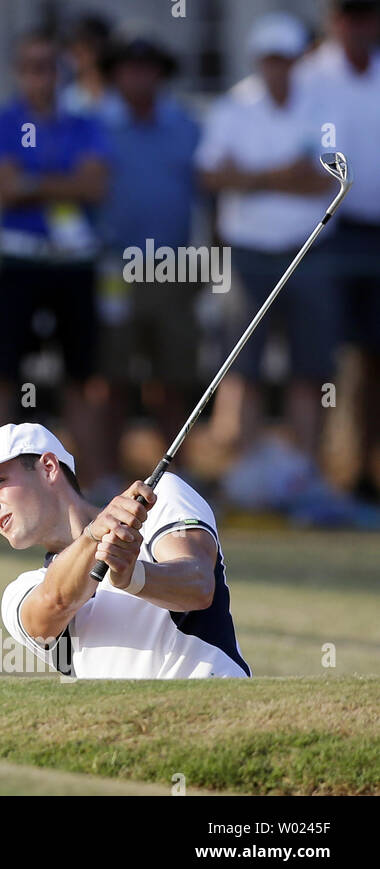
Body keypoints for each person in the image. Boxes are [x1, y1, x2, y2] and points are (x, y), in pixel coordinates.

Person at [0, 423, 251, 679]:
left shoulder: (159, 497)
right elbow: (52, 606)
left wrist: (133, 576)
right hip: (126, 744)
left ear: (48, 468)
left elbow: (197, 585)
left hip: (218, 714)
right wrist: (95, 537)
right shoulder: (21, 593)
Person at [0, 31, 110, 488]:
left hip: (74, 262)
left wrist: (34, 183)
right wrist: (62, 181)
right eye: (31, 67)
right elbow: (6, 190)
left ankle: (90, 484)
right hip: (20, 262)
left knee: (83, 381)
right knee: (1, 376)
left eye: (48, 66)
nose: (40, 76)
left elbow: (95, 186)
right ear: (18, 72)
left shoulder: (84, 122)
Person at [197, 14, 335, 467]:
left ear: (297, 60)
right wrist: (283, 173)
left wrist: (249, 177)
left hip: (308, 250)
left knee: (310, 369)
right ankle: (245, 474)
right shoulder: (232, 108)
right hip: (247, 255)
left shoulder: (321, 107)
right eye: (271, 59)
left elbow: (325, 183)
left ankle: (304, 473)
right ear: (260, 61)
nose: (278, 68)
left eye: (285, 59)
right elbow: (212, 176)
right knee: (241, 370)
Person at [94, 33, 201, 499]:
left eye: (148, 67)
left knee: (173, 379)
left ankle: (176, 483)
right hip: (113, 266)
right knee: (111, 378)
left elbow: (206, 194)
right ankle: (103, 477)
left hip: (174, 265)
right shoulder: (96, 124)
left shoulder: (185, 125)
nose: (139, 76)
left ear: (161, 74)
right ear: (116, 73)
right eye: (129, 67)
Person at [294, 0, 380, 501]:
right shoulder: (309, 75)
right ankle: (321, 476)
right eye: (349, 13)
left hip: (374, 232)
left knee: (372, 359)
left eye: (366, 13)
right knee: (321, 357)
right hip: (325, 230)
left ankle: (362, 472)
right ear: (334, 19)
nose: (358, 24)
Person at [58, 13, 113, 115]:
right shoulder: (63, 100)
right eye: (73, 46)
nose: (78, 51)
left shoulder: (123, 95)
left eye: (88, 46)